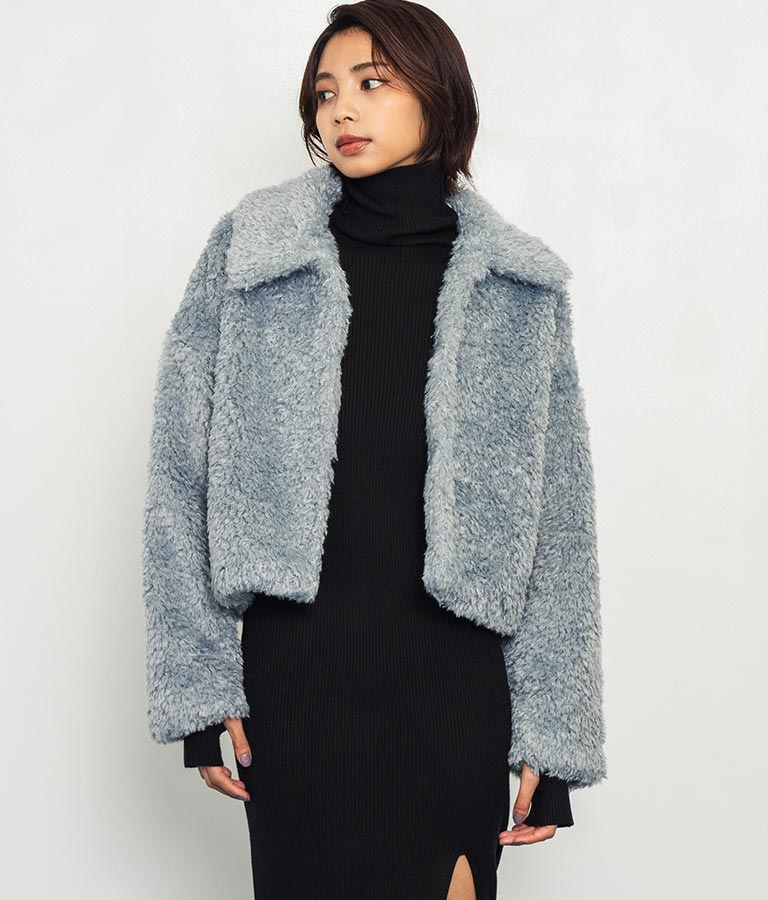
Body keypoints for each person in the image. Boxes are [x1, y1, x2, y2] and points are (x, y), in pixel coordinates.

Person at [142, 2, 607, 898]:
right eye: (325, 92)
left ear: (439, 93)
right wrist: (200, 689)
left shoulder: (518, 287)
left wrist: (556, 736)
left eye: (372, 82)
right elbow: (179, 477)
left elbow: (559, 521)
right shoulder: (255, 255)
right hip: (299, 685)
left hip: (453, 690)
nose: (341, 110)